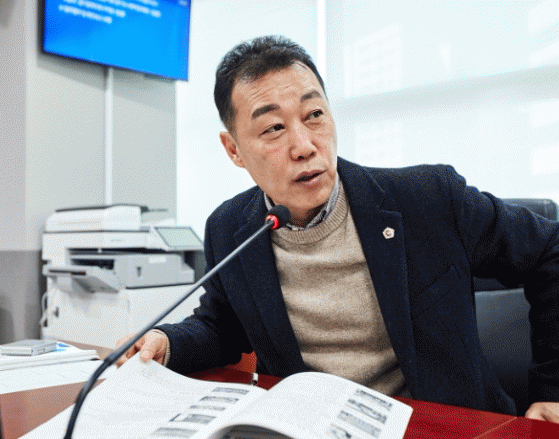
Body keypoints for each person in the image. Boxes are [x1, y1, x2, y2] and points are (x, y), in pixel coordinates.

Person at [116, 35, 559, 422]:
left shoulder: (428, 199)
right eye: (273, 128)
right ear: (233, 150)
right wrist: (165, 341)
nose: (305, 146)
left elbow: (550, 249)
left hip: (439, 427)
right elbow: (222, 327)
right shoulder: (232, 227)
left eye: (314, 115)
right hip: (309, 426)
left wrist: (553, 391)